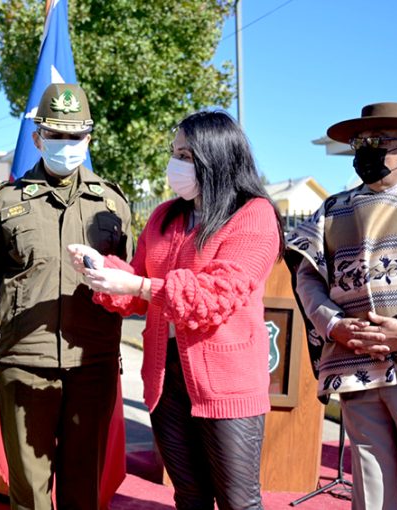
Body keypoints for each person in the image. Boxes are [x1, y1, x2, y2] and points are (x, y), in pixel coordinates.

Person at [68, 110, 282, 510]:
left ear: (214, 157)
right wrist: (102, 268)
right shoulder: (165, 216)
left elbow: (214, 295)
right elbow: (136, 288)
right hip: (166, 378)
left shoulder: (253, 215)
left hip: (227, 382)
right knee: (189, 494)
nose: (174, 164)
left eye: (184, 155)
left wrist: (137, 285)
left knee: (239, 500)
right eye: (174, 153)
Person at [287, 102, 397, 509]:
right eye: (361, 142)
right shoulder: (332, 209)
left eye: (381, 141)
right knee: (370, 491)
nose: (368, 149)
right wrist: (332, 325)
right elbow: (307, 276)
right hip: (354, 363)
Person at [0, 82, 132, 509]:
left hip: (92, 363)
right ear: (37, 138)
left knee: (84, 485)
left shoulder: (113, 204)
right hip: (24, 364)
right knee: (28, 490)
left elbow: (129, 282)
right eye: (57, 135)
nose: (67, 144)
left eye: (75, 136)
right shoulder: (3, 202)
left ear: (88, 139)